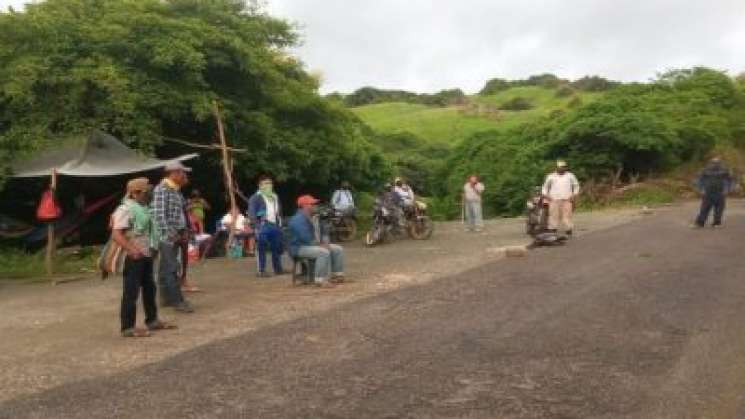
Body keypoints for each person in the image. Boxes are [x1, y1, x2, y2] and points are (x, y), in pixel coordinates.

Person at [111, 177, 176, 337]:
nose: (149, 194)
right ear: (135, 193)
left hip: (145, 254)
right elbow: (116, 234)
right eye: (146, 192)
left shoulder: (144, 208)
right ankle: (127, 328)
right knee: (131, 291)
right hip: (133, 256)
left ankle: (152, 320)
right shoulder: (125, 209)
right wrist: (132, 250)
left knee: (149, 289)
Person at [152, 161, 195, 313]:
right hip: (168, 237)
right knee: (172, 268)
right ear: (174, 173)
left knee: (165, 269)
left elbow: (183, 213)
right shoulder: (162, 189)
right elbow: (158, 215)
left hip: (177, 234)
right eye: (182, 173)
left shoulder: (176, 190)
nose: (185, 175)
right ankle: (178, 301)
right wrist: (172, 234)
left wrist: (185, 231)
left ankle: (165, 299)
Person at [288, 195, 345, 288]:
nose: (316, 206)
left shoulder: (315, 217)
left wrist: (325, 241)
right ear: (305, 206)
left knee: (338, 249)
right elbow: (305, 238)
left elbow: (324, 232)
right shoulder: (297, 219)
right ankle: (320, 280)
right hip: (299, 247)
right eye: (313, 204)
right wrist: (321, 245)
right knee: (323, 252)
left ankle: (337, 275)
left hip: (313, 245)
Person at [248, 175, 284, 277]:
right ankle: (261, 270)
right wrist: (256, 226)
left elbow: (279, 211)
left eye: (270, 183)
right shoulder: (255, 197)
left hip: (275, 224)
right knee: (261, 247)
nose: (269, 185)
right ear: (260, 185)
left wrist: (280, 223)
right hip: (263, 225)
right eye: (266, 183)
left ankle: (278, 269)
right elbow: (252, 213)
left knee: (276, 248)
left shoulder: (275, 196)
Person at [693, 157, 735, 228]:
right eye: (713, 162)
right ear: (710, 163)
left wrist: (728, 189)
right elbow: (699, 180)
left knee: (719, 209)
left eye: (717, 163)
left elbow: (731, 180)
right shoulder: (705, 170)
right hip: (708, 193)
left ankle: (717, 223)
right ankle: (700, 223)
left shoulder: (725, 171)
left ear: (720, 163)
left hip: (720, 193)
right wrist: (700, 189)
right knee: (704, 208)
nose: (715, 164)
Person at [542, 160, 580, 236]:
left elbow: (576, 185)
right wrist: (546, 195)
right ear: (557, 168)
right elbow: (545, 187)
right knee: (553, 215)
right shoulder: (551, 176)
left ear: (565, 167)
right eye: (560, 167)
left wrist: (574, 195)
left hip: (567, 199)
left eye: (563, 167)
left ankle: (568, 229)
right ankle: (553, 229)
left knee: (567, 215)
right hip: (554, 199)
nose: (562, 168)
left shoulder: (570, 175)